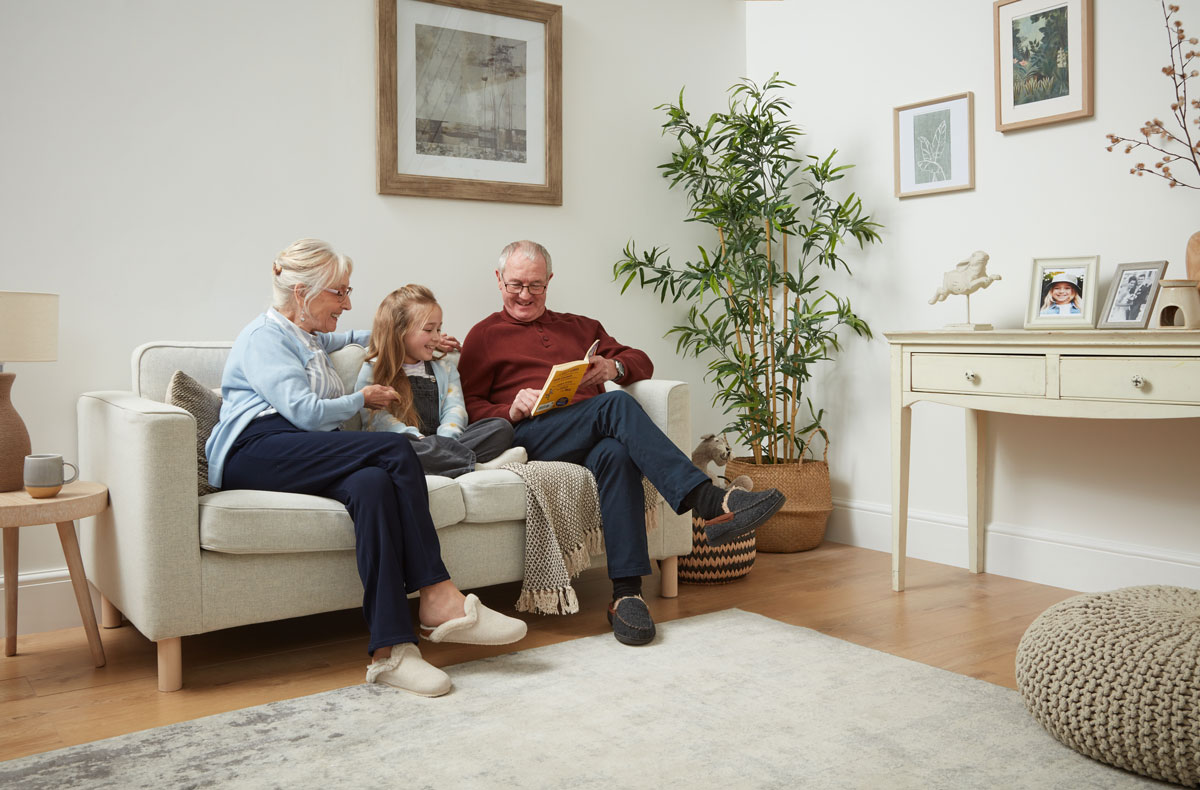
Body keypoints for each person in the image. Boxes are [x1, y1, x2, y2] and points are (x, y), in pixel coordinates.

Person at [205, 239, 526, 697]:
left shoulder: (310, 337)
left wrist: (427, 340)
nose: (348, 303)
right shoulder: (264, 338)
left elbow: (367, 338)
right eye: (339, 293)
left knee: (373, 484)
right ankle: (439, 598)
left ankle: (391, 652)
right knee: (393, 452)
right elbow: (305, 413)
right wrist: (362, 399)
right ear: (302, 293)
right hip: (257, 449)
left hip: (304, 447)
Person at [458, 240, 786, 647]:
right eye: (515, 285)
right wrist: (511, 408)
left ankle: (626, 595)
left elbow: (640, 362)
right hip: (533, 435)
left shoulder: (580, 327)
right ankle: (708, 501)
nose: (525, 295)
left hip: (590, 430)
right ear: (498, 280)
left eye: (535, 286)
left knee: (616, 452)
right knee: (614, 406)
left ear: (550, 282)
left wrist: (613, 365)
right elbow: (470, 410)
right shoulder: (483, 336)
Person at [357, 285, 514, 478]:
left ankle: (439, 461)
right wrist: (419, 440)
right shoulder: (374, 369)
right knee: (388, 449)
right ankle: (470, 465)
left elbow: (455, 410)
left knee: (501, 428)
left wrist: (442, 442)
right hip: (405, 443)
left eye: (439, 329)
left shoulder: (444, 367)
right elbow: (378, 421)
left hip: (442, 441)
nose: (437, 337)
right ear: (400, 332)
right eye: (429, 329)